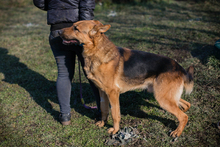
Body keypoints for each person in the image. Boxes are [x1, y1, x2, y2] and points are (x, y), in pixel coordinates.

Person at [33, 0, 101, 125]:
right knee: (92, 74)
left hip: (57, 31)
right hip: (79, 31)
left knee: (64, 73)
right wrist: (85, 31)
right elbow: (87, 5)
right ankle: (102, 112)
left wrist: (56, 7)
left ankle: (65, 116)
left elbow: (39, 2)